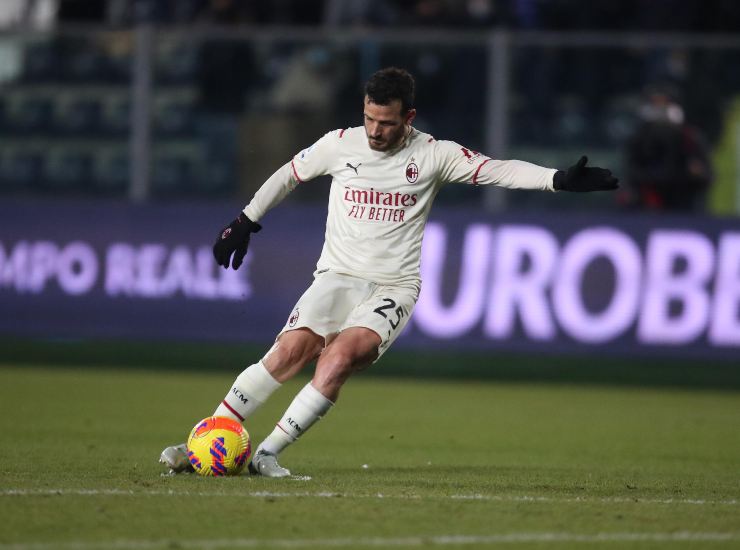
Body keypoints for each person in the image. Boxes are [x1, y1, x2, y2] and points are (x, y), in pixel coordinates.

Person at [160, 67, 618, 478]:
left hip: (393, 287)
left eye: (387, 122)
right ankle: (208, 438)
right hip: (336, 276)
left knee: (336, 358)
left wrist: (557, 179)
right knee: (287, 353)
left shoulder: (434, 155)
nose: (376, 131)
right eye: (370, 119)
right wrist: (245, 222)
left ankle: (267, 454)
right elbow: (288, 175)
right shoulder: (339, 145)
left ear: (409, 116)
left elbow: (496, 170)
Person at [620, 85, 713, 212]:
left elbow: (706, 177)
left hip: (683, 205)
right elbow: (630, 173)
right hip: (647, 205)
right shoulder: (639, 139)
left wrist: (697, 173)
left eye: (664, 103)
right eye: (655, 104)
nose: (660, 109)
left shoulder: (689, 137)